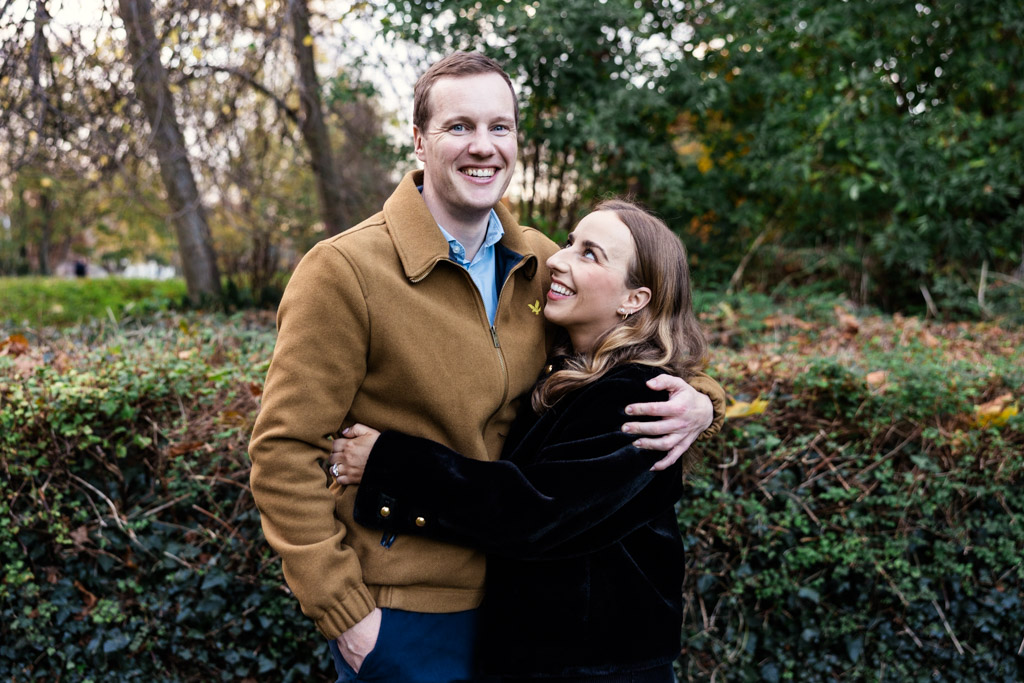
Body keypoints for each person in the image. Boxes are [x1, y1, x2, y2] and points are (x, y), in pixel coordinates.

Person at [248, 51, 726, 683]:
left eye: (499, 127)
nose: (483, 146)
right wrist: (348, 616)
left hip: (526, 614)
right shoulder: (343, 273)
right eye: (459, 127)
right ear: (420, 141)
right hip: (408, 614)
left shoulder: (542, 263)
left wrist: (702, 402)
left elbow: (639, 337)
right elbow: (282, 453)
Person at [330, 199, 706, 682]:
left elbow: (535, 511)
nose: (557, 259)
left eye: (590, 254)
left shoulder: (638, 395)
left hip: (598, 669)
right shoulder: (571, 371)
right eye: (570, 242)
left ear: (634, 300)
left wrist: (388, 461)